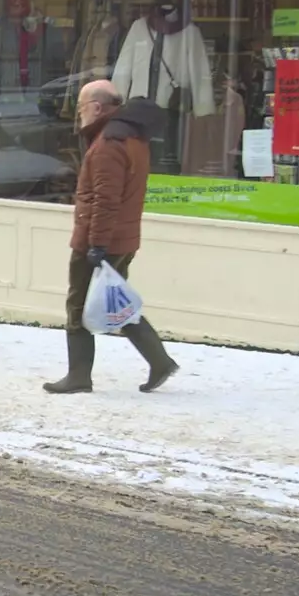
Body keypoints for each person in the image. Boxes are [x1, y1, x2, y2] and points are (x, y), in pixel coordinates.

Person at [44, 79, 179, 394]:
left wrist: (96, 245)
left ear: (96, 107)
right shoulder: (133, 137)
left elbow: (106, 200)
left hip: (100, 240)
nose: (79, 114)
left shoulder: (108, 144)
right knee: (113, 302)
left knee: (78, 304)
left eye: (80, 107)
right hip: (123, 238)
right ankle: (159, 360)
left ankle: (78, 375)